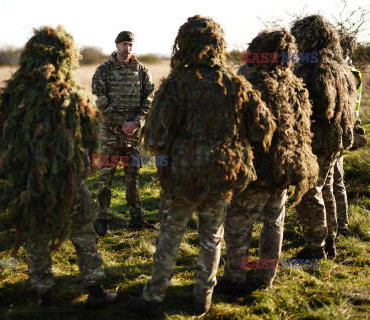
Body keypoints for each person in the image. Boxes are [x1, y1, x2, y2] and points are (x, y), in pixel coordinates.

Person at [127, 15, 275, 316]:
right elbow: (263, 128)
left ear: (184, 45)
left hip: (183, 176)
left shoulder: (175, 84)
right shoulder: (236, 84)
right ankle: (202, 300)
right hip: (223, 174)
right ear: (219, 46)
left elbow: (154, 137)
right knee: (212, 236)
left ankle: (154, 299)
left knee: (170, 233)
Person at [0, 26, 117, 309]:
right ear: (66, 57)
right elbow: (91, 137)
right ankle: (95, 290)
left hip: (30, 181)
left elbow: (5, 139)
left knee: (36, 234)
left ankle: (45, 295)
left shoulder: (14, 93)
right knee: (82, 232)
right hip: (68, 178)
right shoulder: (72, 93)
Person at [215, 29, 318, 294]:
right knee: (274, 222)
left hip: (256, 170)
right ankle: (266, 277)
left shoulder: (249, 79)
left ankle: (235, 277)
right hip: (286, 168)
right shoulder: (294, 83)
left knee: (238, 222)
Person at [291, 15, 357, 259]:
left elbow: (318, 107)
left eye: (299, 37)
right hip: (336, 138)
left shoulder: (314, 67)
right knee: (326, 188)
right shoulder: (340, 66)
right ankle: (330, 241)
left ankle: (314, 249)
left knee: (309, 191)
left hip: (318, 139)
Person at [91, 31, 155, 236]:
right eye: (124, 44)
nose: (127, 49)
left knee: (133, 177)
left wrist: (136, 121)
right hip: (110, 133)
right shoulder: (103, 71)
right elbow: (100, 100)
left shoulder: (142, 70)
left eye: (131, 45)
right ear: (116, 45)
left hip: (133, 135)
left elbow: (149, 98)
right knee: (105, 178)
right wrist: (122, 122)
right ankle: (103, 219)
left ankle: (136, 218)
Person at [335, 29, 367, 236]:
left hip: (335, 131)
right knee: (337, 181)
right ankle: (340, 226)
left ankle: (334, 229)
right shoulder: (353, 70)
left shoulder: (342, 72)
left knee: (331, 182)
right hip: (344, 131)